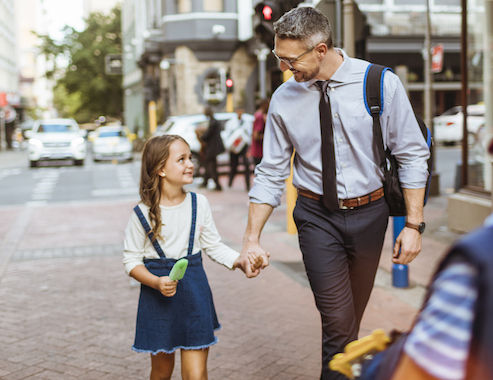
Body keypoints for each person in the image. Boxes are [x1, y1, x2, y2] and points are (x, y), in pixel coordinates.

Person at [237, 7, 430, 380]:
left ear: (321, 50)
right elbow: (271, 171)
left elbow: (411, 153)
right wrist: (251, 238)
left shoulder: (378, 84)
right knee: (338, 326)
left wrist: (414, 225)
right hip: (315, 216)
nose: (286, 67)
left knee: (348, 328)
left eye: (291, 59)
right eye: (280, 58)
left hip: (370, 215)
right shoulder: (284, 99)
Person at [122, 135, 259, 380]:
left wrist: (239, 260)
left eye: (190, 158)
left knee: (196, 374)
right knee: (161, 372)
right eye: (181, 159)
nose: (190, 164)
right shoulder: (141, 214)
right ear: (160, 169)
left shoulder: (199, 203)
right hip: (157, 298)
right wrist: (155, 282)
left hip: (195, 295)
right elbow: (131, 262)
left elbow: (213, 245)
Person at [223, 108, 251, 191]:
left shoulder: (247, 122)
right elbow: (227, 134)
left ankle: (248, 185)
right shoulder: (230, 123)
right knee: (233, 166)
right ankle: (230, 183)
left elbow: (249, 134)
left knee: (246, 165)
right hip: (234, 147)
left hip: (243, 145)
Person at [199, 106, 225, 191]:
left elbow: (208, 134)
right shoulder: (213, 121)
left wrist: (201, 136)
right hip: (212, 147)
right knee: (209, 165)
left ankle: (217, 185)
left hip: (213, 148)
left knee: (211, 166)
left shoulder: (213, 122)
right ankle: (206, 182)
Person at [250, 98, 269, 166]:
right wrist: (269, 136)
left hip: (258, 151)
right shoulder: (260, 117)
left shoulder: (258, 114)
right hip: (259, 152)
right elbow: (256, 136)